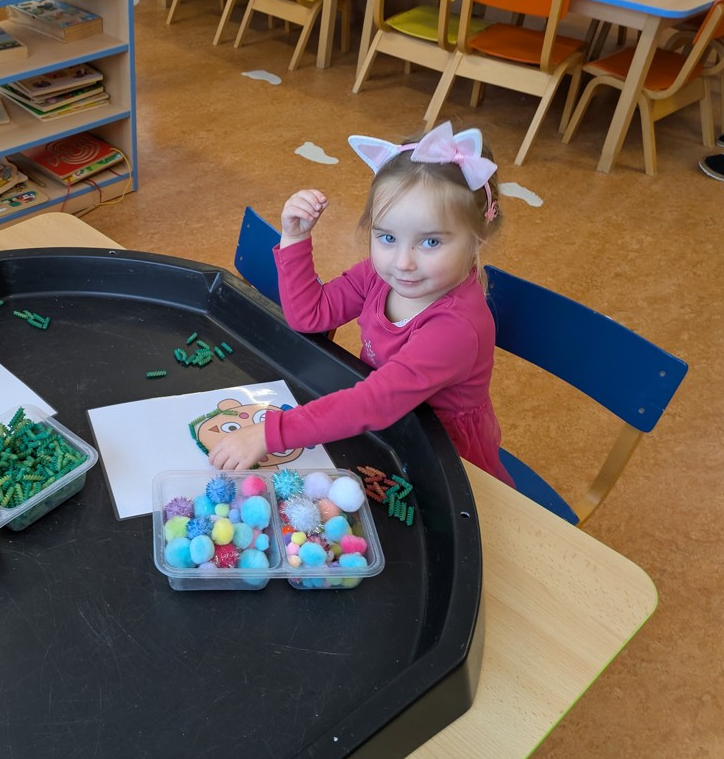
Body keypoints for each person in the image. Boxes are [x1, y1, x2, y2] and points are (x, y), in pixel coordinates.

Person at [208, 121, 514, 486]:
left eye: (430, 242)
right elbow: (311, 315)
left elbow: (374, 402)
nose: (403, 262)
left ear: (478, 238)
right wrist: (295, 238)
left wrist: (269, 433)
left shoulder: (456, 329)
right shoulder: (379, 274)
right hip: (385, 432)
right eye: (387, 237)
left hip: (447, 464)